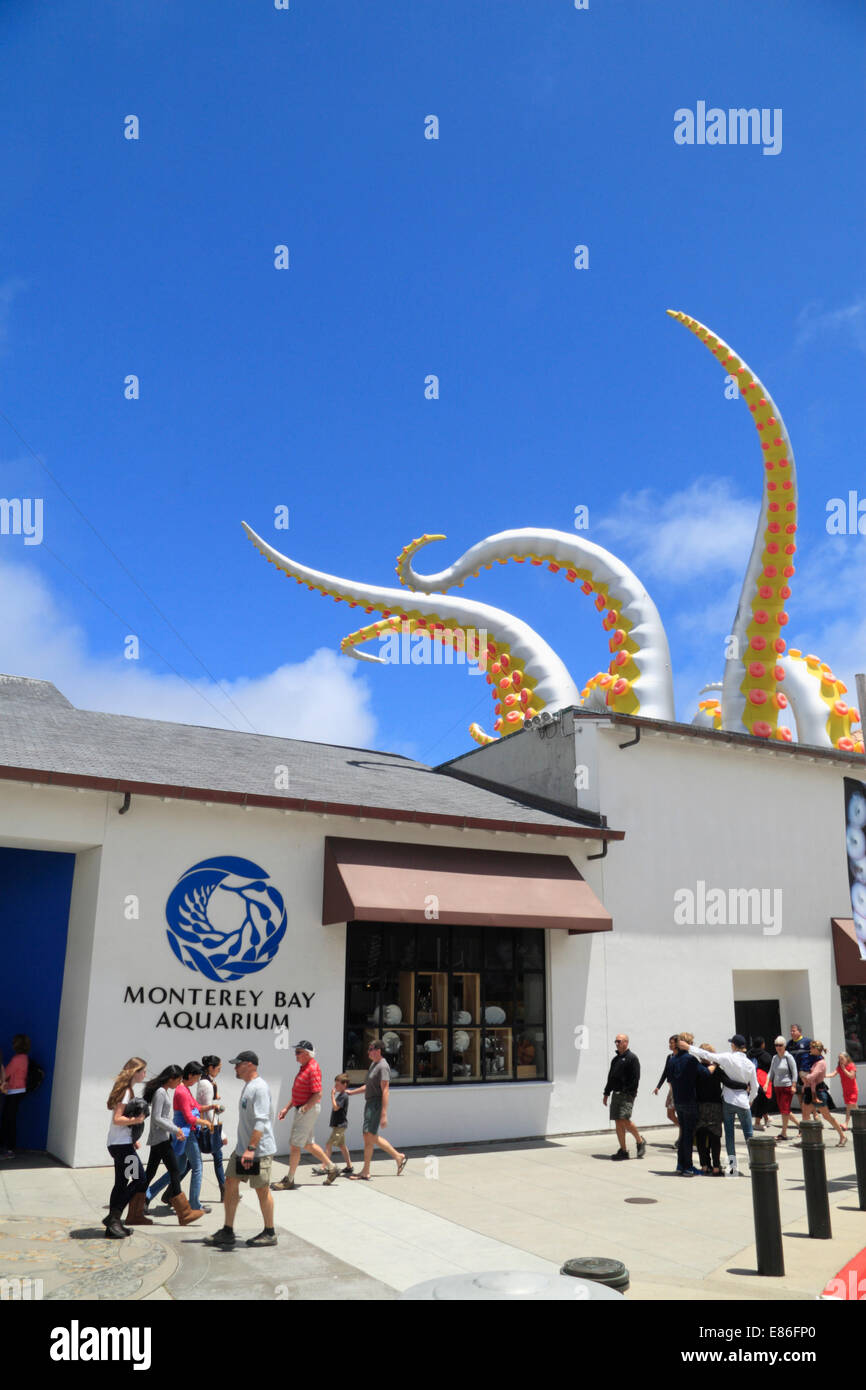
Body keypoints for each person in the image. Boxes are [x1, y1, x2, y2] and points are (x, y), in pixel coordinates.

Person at [206, 1050, 278, 1248]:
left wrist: (251, 1149)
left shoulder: (260, 1088)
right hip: (244, 1149)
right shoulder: (248, 1087)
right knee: (230, 1182)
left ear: (250, 1065)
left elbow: (262, 1121)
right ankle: (228, 1230)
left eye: (238, 1064)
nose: (235, 1068)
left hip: (257, 1151)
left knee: (261, 1190)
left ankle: (270, 1232)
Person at [141, 1064, 205, 1225]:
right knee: (175, 1171)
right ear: (171, 1079)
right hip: (160, 1138)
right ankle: (184, 1213)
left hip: (161, 1137)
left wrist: (175, 1130)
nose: (179, 1083)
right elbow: (157, 1118)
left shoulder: (163, 1091)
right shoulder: (161, 1092)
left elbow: (162, 1117)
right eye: (178, 1080)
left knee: (153, 1172)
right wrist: (176, 1129)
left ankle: (140, 1203)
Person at [271, 1041, 339, 1190]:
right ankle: (332, 1168)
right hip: (303, 1108)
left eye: (298, 1052)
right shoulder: (305, 1067)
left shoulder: (312, 1069)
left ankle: (289, 1180)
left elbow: (318, 1093)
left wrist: (305, 1108)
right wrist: (287, 1108)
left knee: (295, 1145)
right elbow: (298, 1093)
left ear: (307, 1054)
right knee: (308, 1144)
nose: (295, 1055)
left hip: (307, 1110)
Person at [688, 1035, 758, 1175]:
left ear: (734, 1046)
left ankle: (732, 1168)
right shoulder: (750, 1064)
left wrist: (688, 1047)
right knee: (749, 1135)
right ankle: (755, 1164)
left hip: (727, 1101)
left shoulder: (727, 1058)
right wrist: (749, 1099)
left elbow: (706, 1054)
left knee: (729, 1136)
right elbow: (755, 1087)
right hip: (741, 1102)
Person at [348, 1039, 407, 1180]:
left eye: (371, 1049)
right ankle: (366, 1171)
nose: (368, 1052)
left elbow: (385, 1090)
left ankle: (398, 1156)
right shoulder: (374, 1065)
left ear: (378, 1050)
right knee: (368, 1137)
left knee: (370, 1135)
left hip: (376, 1104)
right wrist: (351, 1092)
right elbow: (368, 1086)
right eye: (368, 1049)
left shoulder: (383, 1066)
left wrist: (384, 1113)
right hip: (369, 1103)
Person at [104, 1057, 149, 1238]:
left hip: (119, 1144)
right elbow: (117, 1119)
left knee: (121, 1184)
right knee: (140, 1180)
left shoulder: (126, 1090)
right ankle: (113, 1217)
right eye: (143, 1071)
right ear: (135, 1072)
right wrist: (136, 1120)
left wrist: (132, 1139)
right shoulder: (125, 1092)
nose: (145, 1074)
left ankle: (113, 1227)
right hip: (121, 1148)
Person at [602, 1033, 646, 1160]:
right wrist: (606, 1093)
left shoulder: (632, 1058)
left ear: (626, 1042)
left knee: (624, 1119)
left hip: (627, 1095)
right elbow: (611, 1078)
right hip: (616, 1094)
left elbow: (635, 1078)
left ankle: (640, 1141)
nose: (617, 1043)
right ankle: (623, 1150)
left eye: (619, 1041)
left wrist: (629, 1092)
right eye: (616, 1041)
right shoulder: (615, 1060)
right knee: (618, 1121)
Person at [799, 1041, 846, 1145]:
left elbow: (812, 1076)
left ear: (816, 1049)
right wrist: (804, 1083)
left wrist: (803, 1077)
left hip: (818, 1092)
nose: (809, 1049)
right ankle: (807, 1140)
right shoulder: (814, 1061)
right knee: (805, 1115)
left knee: (826, 1116)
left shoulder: (821, 1063)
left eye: (811, 1047)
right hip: (810, 1090)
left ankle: (842, 1136)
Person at [197, 1055, 228, 1200]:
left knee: (217, 1156)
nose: (219, 1071)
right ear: (211, 1068)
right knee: (190, 1164)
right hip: (206, 1126)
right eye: (219, 1068)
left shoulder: (207, 1082)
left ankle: (224, 1190)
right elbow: (208, 1109)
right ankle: (171, 1193)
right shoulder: (206, 1084)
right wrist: (220, 1134)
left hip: (205, 1124)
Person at [669, 1034, 700, 1175]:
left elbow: (670, 1079)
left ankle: (680, 1165)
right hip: (689, 1100)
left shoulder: (672, 1059)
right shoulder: (691, 1059)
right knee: (688, 1135)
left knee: (683, 1134)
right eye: (691, 1043)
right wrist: (712, 1067)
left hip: (678, 1100)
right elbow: (704, 1074)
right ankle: (688, 1166)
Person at [312, 1074, 354, 1177]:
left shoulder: (343, 1096)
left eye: (338, 1085)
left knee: (328, 1144)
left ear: (344, 1085)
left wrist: (332, 1096)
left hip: (340, 1126)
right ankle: (349, 1167)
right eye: (335, 1084)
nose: (335, 1087)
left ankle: (324, 1167)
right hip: (339, 1125)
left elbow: (336, 1108)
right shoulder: (341, 1095)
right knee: (342, 1146)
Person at [694, 1043, 723, 1175]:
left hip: (700, 1104)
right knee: (715, 1136)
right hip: (715, 1105)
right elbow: (728, 1082)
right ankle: (716, 1167)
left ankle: (705, 1165)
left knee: (701, 1135)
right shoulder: (717, 1070)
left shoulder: (697, 1068)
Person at [0, 1034, 31, 1158]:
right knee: (10, 1119)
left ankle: (9, 1149)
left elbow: (6, 1073)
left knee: (8, 1120)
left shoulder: (16, 1059)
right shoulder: (25, 1058)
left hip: (13, 1092)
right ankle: (9, 1148)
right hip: (20, 1090)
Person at [652, 1035, 681, 1149]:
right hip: (671, 1089)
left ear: (677, 1044)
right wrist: (658, 1086)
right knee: (670, 1114)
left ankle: (681, 1138)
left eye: (671, 1043)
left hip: (679, 1089)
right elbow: (665, 1072)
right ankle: (684, 1130)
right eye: (669, 1043)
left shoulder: (682, 1057)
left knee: (678, 1113)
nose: (670, 1045)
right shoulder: (670, 1057)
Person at [768, 1036, 799, 1139]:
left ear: (784, 1046)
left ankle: (783, 1133)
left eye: (780, 1045)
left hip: (787, 1086)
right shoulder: (774, 1058)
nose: (778, 1047)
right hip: (777, 1086)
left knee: (785, 1110)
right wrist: (766, 1083)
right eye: (776, 1045)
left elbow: (795, 1072)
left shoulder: (788, 1057)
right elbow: (771, 1072)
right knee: (784, 1110)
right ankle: (801, 1126)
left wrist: (794, 1085)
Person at [826, 1052, 859, 1129]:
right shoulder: (839, 1067)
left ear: (847, 1058)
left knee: (848, 1106)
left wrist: (844, 1069)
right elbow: (833, 1074)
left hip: (853, 1090)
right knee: (854, 1107)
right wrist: (823, 1075)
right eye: (839, 1059)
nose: (840, 1060)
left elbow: (851, 1076)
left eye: (842, 1059)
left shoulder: (851, 1065)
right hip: (845, 1090)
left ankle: (846, 1124)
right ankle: (861, 1121)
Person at [748, 1037, 773, 1131]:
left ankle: (766, 1118)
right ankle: (757, 1123)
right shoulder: (765, 1055)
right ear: (762, 1044)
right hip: (763, 1080)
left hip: (751, 1079)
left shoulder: (749, 1054)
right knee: (763, 1100)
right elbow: (771, 1066)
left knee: (759, 1099)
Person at [786, 1025, 812, 1109]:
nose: (791, 1033)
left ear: (799, 1032)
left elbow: (815, 1054)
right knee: (799, 1093)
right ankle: (804, 1114)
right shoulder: (789, 1044)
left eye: (793, 1031)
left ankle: (815, 1114)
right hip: (795, 1073)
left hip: (805, 1072)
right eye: (791, 1031)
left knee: (808, 1092)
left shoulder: (807, 1041)